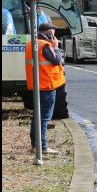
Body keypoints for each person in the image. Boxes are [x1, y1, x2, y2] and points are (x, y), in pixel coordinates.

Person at [25, 23, 66, 154]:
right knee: (44, 117)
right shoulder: (45, 45)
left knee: (37, 115)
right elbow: (56, 60)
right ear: (49, 33)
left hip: (37, 84)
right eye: (53, 33)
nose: (54, 36)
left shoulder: (32, 43)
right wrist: (56, 48)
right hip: (46, 85)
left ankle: (34, 144)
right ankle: (42, 146)